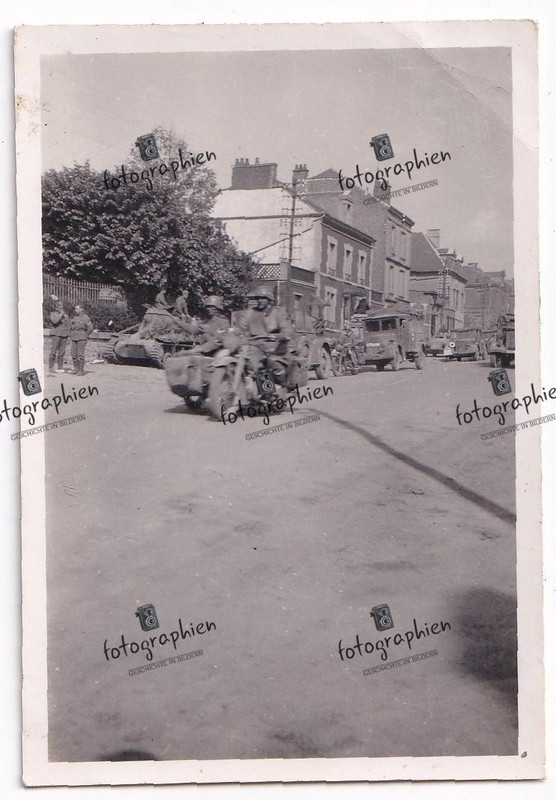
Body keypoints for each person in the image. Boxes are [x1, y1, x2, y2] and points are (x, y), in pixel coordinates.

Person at [239, 285, 293, 385]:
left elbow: (286, 328)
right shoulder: (250, 313)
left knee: (270, 363)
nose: (260, 300)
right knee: (250, 363)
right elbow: (241, 327)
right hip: (255, 346)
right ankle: (254, 390)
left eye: (263, 298)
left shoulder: (278, 313)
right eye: (258, 298)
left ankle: (275, 388)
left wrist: (282, 335)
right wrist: (237, 334)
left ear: (269, 299)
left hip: (275, 348)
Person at [69, 305, 93, 375]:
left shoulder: (86, 318)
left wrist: (85, 335)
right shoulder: (74, 317)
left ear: (81, 309)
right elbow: (71, 326)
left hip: (82, 338)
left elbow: (90, 328)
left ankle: (81, 370)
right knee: (73, 354)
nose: (75, 310)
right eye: (75, 308)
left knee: (80, 354)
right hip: (74, 337)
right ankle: (75, 369)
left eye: (77, 308)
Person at [48, 300, 69, 375]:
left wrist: (68, 334)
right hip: (56, 334)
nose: (61, 308)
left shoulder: (65, 315)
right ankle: (51, 367)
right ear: (56, 308)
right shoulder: (53, 314)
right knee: (53, 351)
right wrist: (60, 315)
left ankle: (60, 367)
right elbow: (54, 321)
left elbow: (68, 324)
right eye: (59, 307)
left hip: (64, 335)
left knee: (62, 352)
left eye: (62, 307)